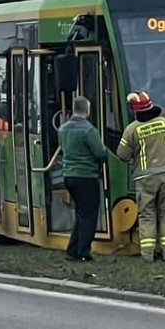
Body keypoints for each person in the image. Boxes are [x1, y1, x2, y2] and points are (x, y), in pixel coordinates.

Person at [116, 91, 165, 262]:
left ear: (135, 111)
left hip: (146, 179)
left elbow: (122, 154)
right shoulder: (164, 123)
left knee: (147, 215)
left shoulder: (132, 130)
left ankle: (147, 256)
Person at [58, 96, 108, 262]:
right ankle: (83, 252)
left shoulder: (63, 129)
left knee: (81, 214)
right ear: (87, 110)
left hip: (69, 176)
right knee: (89, 215)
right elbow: (100, 153)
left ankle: (72, 251)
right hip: (86, 176)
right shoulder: (89, 130)